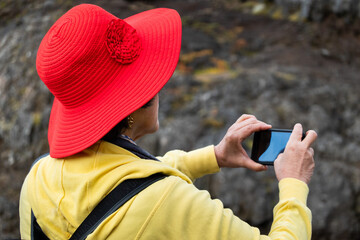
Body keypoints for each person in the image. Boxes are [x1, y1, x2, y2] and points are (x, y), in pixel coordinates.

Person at [19, 4, 317, 240]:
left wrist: (214, 156)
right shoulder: (165, 202)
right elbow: (149, 197)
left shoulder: (36, 179)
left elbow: (121, 187)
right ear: (137, 101)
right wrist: (293, 183)